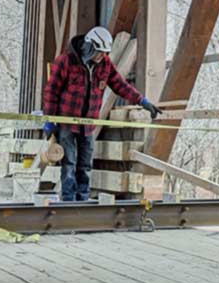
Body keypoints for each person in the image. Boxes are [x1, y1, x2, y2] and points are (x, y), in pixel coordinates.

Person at [41, 26, 161, 202]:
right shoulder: (65, 61)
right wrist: (49, 120)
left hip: (88, 125)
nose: (102, 56)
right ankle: (68, 200)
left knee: (85, 165)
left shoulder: (104, 65)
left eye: (105, 53)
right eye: (99, 52)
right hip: (66, 123)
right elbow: (51, 92)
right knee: (69, 164)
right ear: (89, 47)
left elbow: (121, 85)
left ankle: (82, 199)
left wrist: (142, 101)